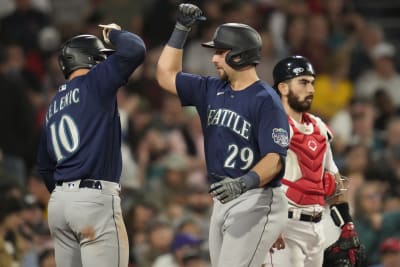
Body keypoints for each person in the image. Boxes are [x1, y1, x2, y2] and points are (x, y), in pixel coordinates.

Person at [156, 3, 289, 267]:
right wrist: (180, 29)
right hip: (223, 198)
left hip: (256, 196)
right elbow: (165, 75)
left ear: (239, 56)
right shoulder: (211, 89)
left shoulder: (266, 100)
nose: (214, 58)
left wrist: (243, 183)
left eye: (220, 52)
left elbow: (275, 159)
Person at [36, 23, 146, 267]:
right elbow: (135, 49)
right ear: (89, 59)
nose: (102, 63)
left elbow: (44, 167)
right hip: (93, 199)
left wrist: (67, 193)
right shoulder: (95, 82)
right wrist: (113, 33)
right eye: (99, 58)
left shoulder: (53, 104)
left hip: (59, 205)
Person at [263, 55, 365, 267]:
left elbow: (335, 180)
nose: (311, 89)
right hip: (284, 226)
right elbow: (261, 180)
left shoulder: (319, 127)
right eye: (303, 82)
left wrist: (347, 224)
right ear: (283, 87)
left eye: (312, 83)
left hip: (316, 226)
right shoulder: (272, 126)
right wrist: (270, 223)